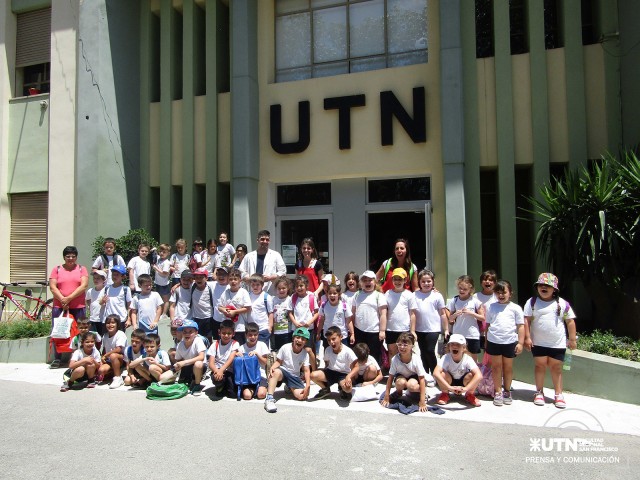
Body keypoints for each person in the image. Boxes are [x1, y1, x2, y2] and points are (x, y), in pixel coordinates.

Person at [523, 273, 577, 409]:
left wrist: (572, 339)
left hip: (557, 343)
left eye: (548, 285)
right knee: (540, 366)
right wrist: (527, 337)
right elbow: (526, 320)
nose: (544, 287)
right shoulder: (532, 302)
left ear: (555, 289)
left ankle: (558, 394)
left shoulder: (562, 303)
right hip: (538, 343)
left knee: (556, 368)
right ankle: (539, 392)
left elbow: (570, 321)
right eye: (541, 285)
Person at [486, 280, 525, 406]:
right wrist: (486, 341)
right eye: (498, 293)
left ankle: (507, 391)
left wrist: (520, 343)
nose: (501, 295)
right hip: (494, 341)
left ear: (510, 293)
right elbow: (487, 325)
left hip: (509, 342)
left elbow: (520, 326)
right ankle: (498, 392)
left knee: (507, 368)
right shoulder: (492, 306)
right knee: (496, 367)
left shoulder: (515, 308)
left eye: (504, 292)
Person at [49, 245, 89, 368]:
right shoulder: (57, 269)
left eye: (73, 256)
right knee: (58, 331)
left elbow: (83, 286)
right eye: (68, 256)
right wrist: (62, 299)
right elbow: (52, 287)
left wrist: (68, 298)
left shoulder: (82, 269)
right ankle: (57, 358)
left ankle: (78, 356)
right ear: (64, 257)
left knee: (80, 331)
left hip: (78, 306)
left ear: (76, 257)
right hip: (60, 306)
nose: (70, 258)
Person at [264, 327, 312, 413]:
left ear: (306, 342)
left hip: (294, 376)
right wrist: (272, 367)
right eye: (297, 337)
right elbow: (279, 362)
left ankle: (289, 387)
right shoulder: (285, 347)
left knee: (302, 396)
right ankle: (269, 398)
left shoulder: (305, 354)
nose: (299, 340)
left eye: (303, 339)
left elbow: (306, 370)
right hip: (283, 371)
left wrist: (308, 385)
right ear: (293, 338)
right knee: (275, 372)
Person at [413, 269, 447, 381]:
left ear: (433, 282)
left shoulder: (437, 296)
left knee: (430, 350)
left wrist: (445, 329)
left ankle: (435, 374)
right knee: (422, 352)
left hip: (433, 329)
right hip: (419, 328)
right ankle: (425, 375)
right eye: (423, 281)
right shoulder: (415, 295)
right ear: (419, 282)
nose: (426, 283)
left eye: (429, 281)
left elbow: (442, 313)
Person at [380, 332, 427, 412]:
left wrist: (422, 401)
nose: (402, 347)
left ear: (412, 346)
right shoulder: (395, 359)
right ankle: (398, 393)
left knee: (411, 385)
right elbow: (390, 378)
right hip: (401, 376)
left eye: (405, 345)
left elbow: (422, 379)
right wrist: (387, 396)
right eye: (400, 344)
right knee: (399, 383)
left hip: (414, 378)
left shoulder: (416, 359)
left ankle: (422, 393)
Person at [433, 334, 483, 407]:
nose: (454, 346)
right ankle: (445, 393)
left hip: (464, 381)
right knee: (442, 374)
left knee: (472, 375)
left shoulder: (468, 358)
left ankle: (470, 394)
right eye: (452, 344)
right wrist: (449, 387)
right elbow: (435, 373)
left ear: (463, 348)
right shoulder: (446, 357)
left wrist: (466, 388)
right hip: (450, 382)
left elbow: (479, 375)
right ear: (449, 347)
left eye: (458, 344)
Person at [159, 319, 207, 395]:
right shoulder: (180, 344)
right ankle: (184, 379)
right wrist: (177, 366)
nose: (187, 334)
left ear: (196, 333)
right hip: (186, 367)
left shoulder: (198, 340)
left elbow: (201, 357)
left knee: (198, 364)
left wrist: (184, 362)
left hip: (198, 367)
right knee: (162, 378)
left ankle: (197, 384)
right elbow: (178, 360)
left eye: (190, 332)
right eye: (185, 332)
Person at [311, 326, 358, 400]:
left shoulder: (348, 351)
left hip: (343, 374)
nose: (331, 342)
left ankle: (342, 389)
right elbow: (326, 363)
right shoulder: (328, 350)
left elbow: (357, 366)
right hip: (331, 372)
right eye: (329, 340)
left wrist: (349, 376)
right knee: (313, 375)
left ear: (341, 337)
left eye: (333, 339)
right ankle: (325, 389)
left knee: (348, 388)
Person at [351, 270, 388, 364]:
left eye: (370, 280)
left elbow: (383, 314)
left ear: (375, 282)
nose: (367, 282)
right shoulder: (357, 294)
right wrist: (352, 332)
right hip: (359, 330)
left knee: (374, 355)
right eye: (365, 280)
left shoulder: (379, 296)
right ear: (361, 283)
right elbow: (353, 312)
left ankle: (374, 374)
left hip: (374, 332)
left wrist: (382, 331)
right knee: (359, 353)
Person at [446, 275, 485, 362]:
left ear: (470, 289)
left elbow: (482, 318)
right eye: (460, 288)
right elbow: (450, 319)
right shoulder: (454, 300)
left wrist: (471, 313)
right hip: (458, 334)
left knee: (472, 359)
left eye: (465, 289)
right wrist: (455, 314)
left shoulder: (475, 301)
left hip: (472, 334)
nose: (462, 291)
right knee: (458, 358)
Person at [382, 268, 418, 360]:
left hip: (404, 329)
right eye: (395, 279)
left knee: (405, 352)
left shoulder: (409, 295)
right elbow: (384, 312)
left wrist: (412, 331)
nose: (397, 282)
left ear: (405, 280)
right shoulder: (387, 293)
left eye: (400, 279)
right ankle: (393, 373)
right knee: (391, 352)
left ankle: (405, 373)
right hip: (390, 329)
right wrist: (382, 329)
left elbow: (412, 314)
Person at [239, 229, 286, 295]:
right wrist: (247, 277)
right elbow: (241, 270)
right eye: (262, 239)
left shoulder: (276, 255)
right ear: (257, 240)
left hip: (269, 292)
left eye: (267, 240)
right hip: (252, 292)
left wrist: (270, 278)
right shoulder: (249, 256)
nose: (265, 241)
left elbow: (283, 271)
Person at [287, 274, 318, 369]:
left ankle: (314, 370)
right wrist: (295, 322)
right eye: (297, 286)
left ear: (306, 286)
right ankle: (299, 370)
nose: (299, 288)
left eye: (301, 286)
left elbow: (317, 313)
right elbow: (290, 313)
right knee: (297, 349)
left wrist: (309, 322)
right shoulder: (293, 297)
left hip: (308, 329)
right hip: (296, 329)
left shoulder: (311, 296)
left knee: (308, 349)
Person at [217, 268, 252, 344]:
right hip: (227, 327)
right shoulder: (225, 292)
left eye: (235, 279)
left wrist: (235, 312)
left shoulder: (243, 292)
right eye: (231, 279)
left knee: (239, 348)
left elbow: (248, 308)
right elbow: (219, 307)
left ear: (240, 280)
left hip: (240, 327)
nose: (233, 281)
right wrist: (224, 310)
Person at [207, 319, 241, 397]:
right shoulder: (215, 344)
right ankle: (220, 386)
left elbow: (231, 359)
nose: (226, 335)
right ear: (219, 332)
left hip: (229, 370)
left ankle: (227, 386)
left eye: (229, 333)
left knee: (232, 395)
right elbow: (211, 363)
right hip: (217, 370)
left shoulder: (235, 344)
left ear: (233, 333)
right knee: (219, 392)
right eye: (224, 333)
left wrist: (222, 370)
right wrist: (217, 371)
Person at [317, 281, 353, 348]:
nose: (332, 295)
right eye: (330, 293)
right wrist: (318, 333)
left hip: (342, 336)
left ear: (339, 294)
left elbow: (349, 321)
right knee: (328, 355)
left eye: (334, 293)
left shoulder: (344, 305)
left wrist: (352, 334)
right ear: (327, 294)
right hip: (328, 337)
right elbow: (321, 320)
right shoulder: (324, 305)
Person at [239, 322, 270, 400]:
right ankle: (253, 390)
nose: (253, 337)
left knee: (261, 395)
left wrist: (257, 355)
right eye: (250, 335)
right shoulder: (242, 347)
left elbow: (266, 362)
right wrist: (238, 356)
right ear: (246, 335)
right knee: (247, 396)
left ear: (258, 334)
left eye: (255, 335)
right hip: (247, 377)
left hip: (260, 375)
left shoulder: (262, 345)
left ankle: (263, 387)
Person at [98, 314, 128, 389]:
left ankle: (118, 377)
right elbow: (104, 349)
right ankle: (113, 372)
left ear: (117, 324)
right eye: (108, 323)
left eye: (113, 323)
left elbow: (119, 349)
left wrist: (106, 355)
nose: (110, 325)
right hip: (110, 359)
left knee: (113, 355)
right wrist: (102, 358)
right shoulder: (105, 335)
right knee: (101, 370)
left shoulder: (120, 334)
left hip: (121, 359)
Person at [102, 265, 132, 330]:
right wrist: (102, 301)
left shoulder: (126, 289)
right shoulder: (107, 288)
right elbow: (102, 303)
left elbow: (130, 305)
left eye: (117, 275)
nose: (114, 276)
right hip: (108, 319)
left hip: (120, 319)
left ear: (123, 276)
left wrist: (129, 319)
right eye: (113, 274)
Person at [190, 268, 216, 341]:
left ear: (206, 278)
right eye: (197, 277)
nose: (199, 279)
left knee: (208, 338)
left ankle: (209, 351)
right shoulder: (192, 286)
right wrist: (176, 285)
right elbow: (183, 282)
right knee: (198, 338)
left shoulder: (211, 286)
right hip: (196, 317)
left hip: (209, 317)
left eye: (201, 277)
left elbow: (223, 283)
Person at [248, 274, 274, 345]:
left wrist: (270, 327)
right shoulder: (248, 295)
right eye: (253, 284)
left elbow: (270, 313)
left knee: (263, 352)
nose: (255, 287)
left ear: (262, 285)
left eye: (257, 284)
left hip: (263, 329)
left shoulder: (266, 297)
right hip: (251, 329)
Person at [272, 276, 292, 351]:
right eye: (279, 288)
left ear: (288, 288)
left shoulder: (290, 299)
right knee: (278, 351)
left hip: (287, 331)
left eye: (283, 288)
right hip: (276, 332)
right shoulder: (273, 299)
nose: (281, 290)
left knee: (286, 351)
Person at [85, 270, 108, 335]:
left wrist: (103, 303)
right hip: (93, 319)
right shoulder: (90, 291)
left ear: (104, 280)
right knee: (93, 337)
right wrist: (90, 307)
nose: (95, 280)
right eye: (94, 278)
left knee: (102, 337)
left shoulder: (106, 290)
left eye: (98, 278)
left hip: (102, 319)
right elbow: (87, 299)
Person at [152, 243, 172, 314]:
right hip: (157, 283)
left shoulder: (166, 262)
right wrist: (154, 250)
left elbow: (164, 274)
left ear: (168, 253)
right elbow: (154, 254)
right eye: (160, 251)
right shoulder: (158, 258)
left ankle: (164, 314)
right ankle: (159, 312)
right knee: (158, 299)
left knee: (165, 299)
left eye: (164, 252)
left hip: (164, 285)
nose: (162, 253)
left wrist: (156, 269)